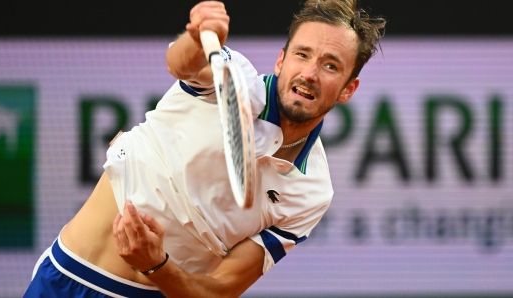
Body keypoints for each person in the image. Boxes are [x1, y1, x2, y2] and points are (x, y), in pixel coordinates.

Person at [24, 0, 385, 297]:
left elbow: (221, 291)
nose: (309, 73)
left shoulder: (312, 192)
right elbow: (181, 62)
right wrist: (197, 37)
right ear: (281, 60)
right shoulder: (234, 80)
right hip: (69, 279)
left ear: (348, 89)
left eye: (330, 65)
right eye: (302, 55)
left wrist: (156, 265)